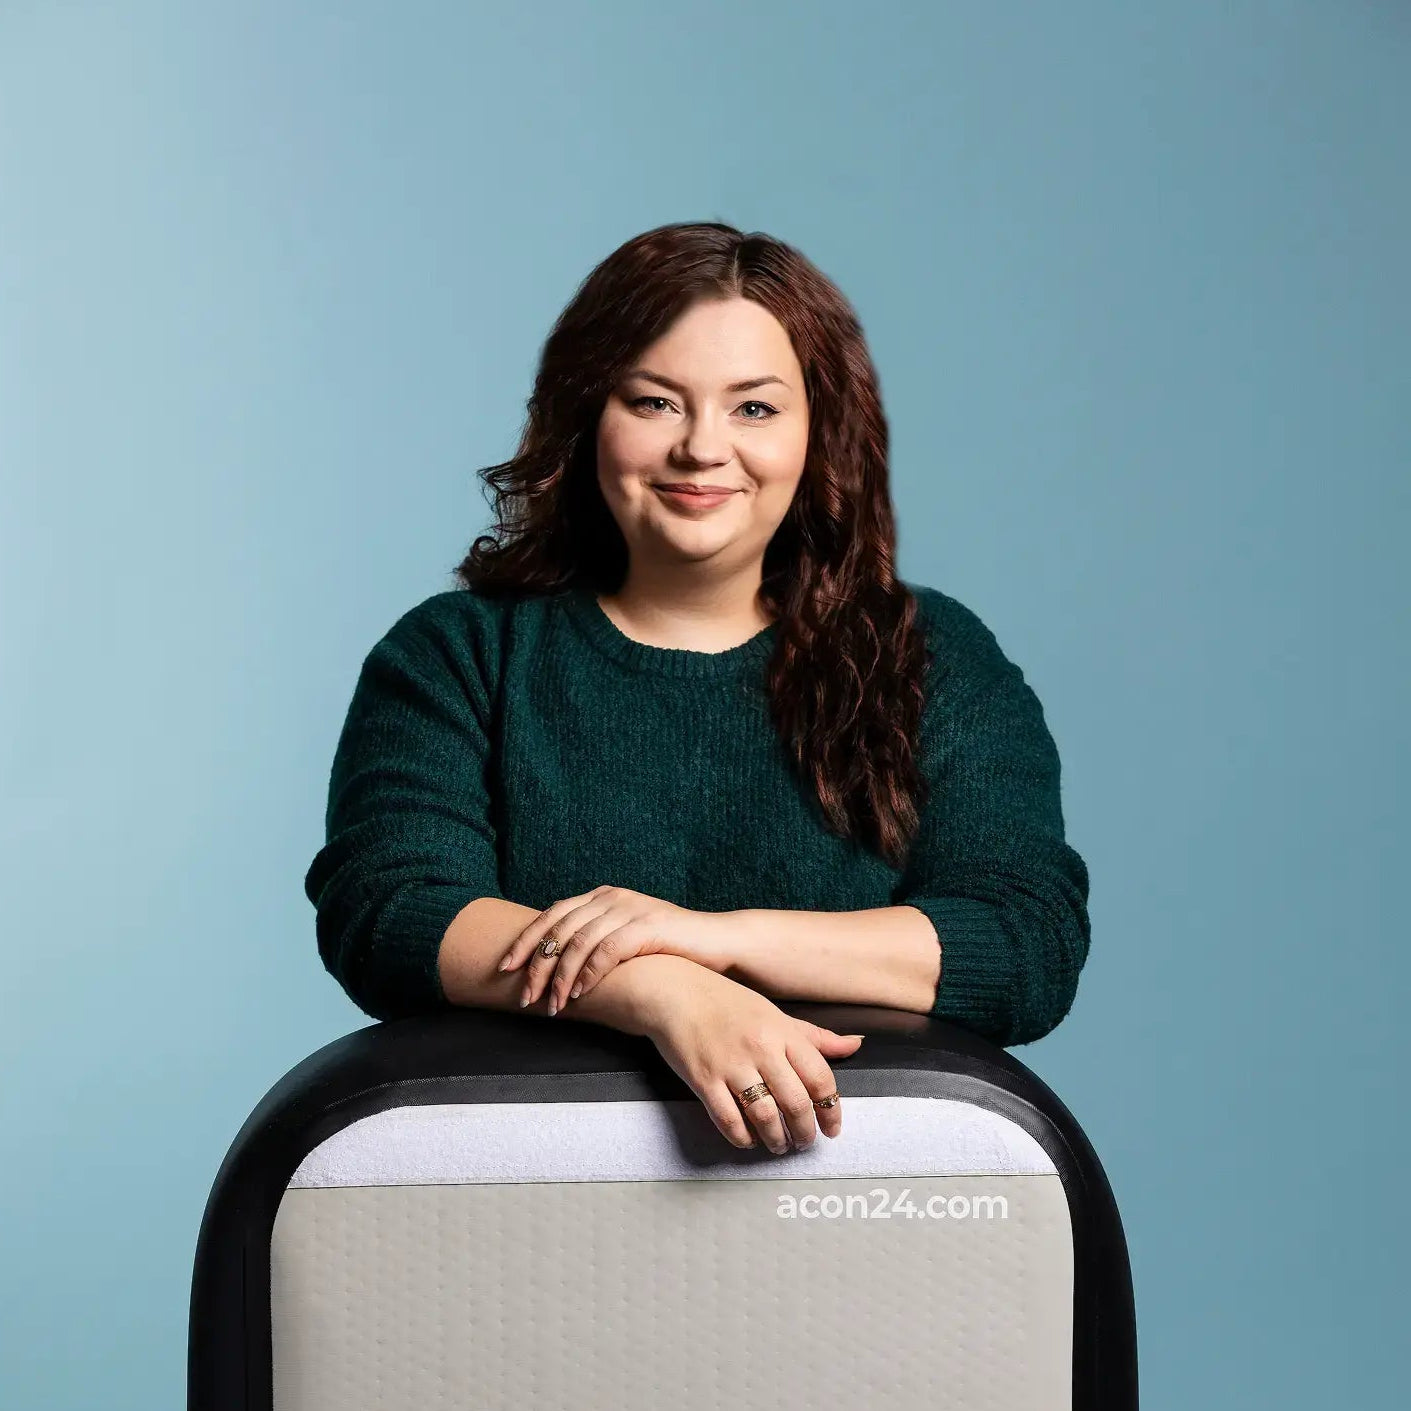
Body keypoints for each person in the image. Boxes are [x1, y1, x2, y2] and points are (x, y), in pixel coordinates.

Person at [304, 220, 1091, 1158]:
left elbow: (1021, 942)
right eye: (655, 402)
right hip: (522, 1208)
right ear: (585, 413)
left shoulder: (934, 655)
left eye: (753, 408)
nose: (702, 450)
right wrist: (662, 990)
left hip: (870, 1217)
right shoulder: (460, 654)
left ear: (820, 429)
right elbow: (390, 910)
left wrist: (717, 940)